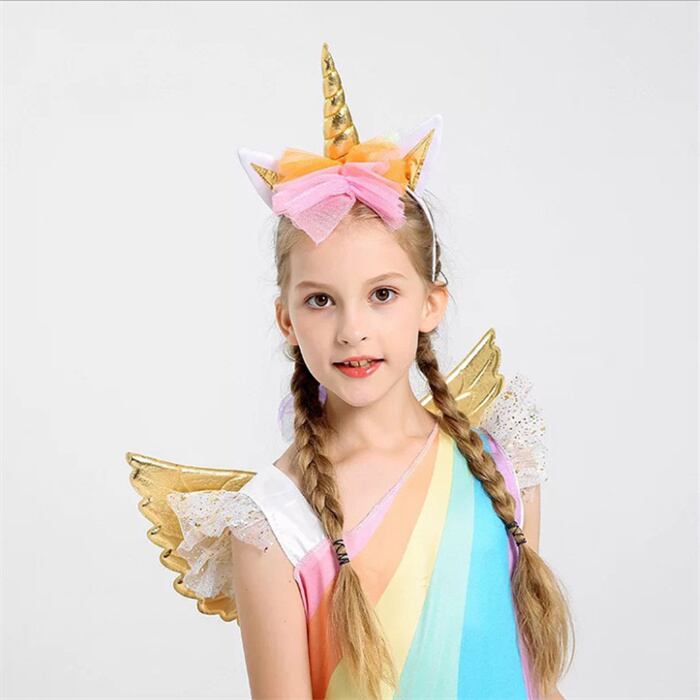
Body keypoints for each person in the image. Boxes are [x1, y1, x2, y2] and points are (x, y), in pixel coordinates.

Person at [167, 43, 574, 700]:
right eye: (320, 300)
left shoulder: (501, 467)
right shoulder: (274, 522)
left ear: (430, 304)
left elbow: (538, 681)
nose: (352, 329)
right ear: (286, 320)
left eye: (382, 294)